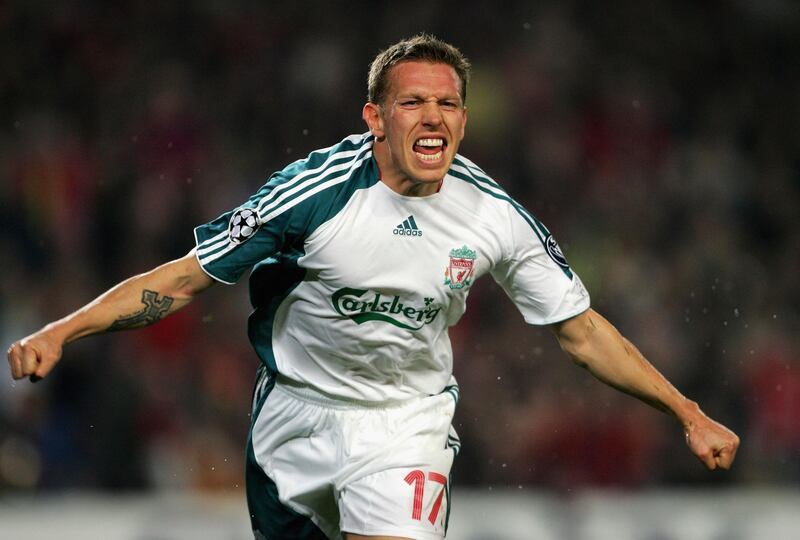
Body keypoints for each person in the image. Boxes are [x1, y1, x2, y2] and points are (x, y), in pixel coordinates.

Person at [7, 34, 738, 540]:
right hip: (294, 418)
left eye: (448, 105)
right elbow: (183, 280)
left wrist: (686, 411)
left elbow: (580, 331)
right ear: (375, 117)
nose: (433, 119)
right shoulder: (311, 196)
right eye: (413, 103)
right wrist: (61, 331)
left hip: (405, 424)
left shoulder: (492, 215)